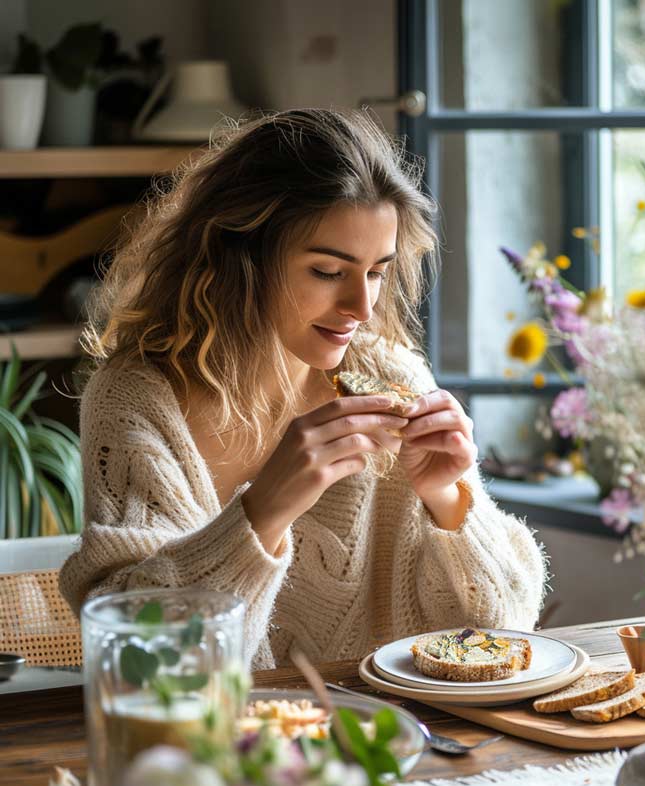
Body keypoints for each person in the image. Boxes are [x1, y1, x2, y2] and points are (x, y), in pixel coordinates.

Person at [59, 109, 548, 668]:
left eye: (376, 272)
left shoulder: (394, 377)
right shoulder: (138, 399)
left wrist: (447, 502)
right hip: (218, 748)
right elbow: (140, 658)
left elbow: (504, 631)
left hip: (385, 741)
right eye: (327, 271)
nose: (362, 308)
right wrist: (262, 513)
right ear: (238, 256)